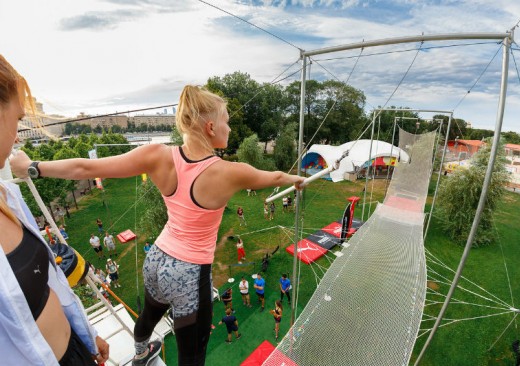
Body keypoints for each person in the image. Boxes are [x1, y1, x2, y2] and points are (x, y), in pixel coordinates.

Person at [11, 85, 304, 366]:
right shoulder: (228, 172)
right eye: (226, 121)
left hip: (158, 258)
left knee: (149, 316)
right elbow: (277, 178)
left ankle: (140, 354)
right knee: (192, 355)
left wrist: (32, 167)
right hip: (189, 272)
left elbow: (86, 168)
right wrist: (297, 180)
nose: (230, 128)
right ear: (211, 128)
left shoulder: (158, 155)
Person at [0, 54, 109, 365]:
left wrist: (86, 334)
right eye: (19, 119)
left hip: (76, 350)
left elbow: (50, 283)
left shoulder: (8, 198)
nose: (18, 136)